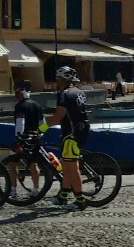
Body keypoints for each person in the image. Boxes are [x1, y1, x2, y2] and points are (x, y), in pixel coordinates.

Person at [43, 66, 90, 209]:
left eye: (57, 79)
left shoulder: (64, 94)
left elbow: (58, 116)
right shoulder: (79, 92)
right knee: (67, 165)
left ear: (62, 79)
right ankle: (63, 197)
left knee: (72, 167)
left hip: (71, 134)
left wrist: (42, 129)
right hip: (82, 130)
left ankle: (80, 201)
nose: (56, 81)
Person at [9, 81, 45, 199]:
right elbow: (43, 124)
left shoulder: (20, 106)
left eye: (16, 92)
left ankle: (13, 189)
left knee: (12, 163)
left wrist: (18, 140)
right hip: (35, 139)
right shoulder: (37, 105)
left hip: (24, 139)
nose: (15, 95)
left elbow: (20, 124)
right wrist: (40, 134)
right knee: (34, 164)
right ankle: (35, 189)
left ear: (20, 92)